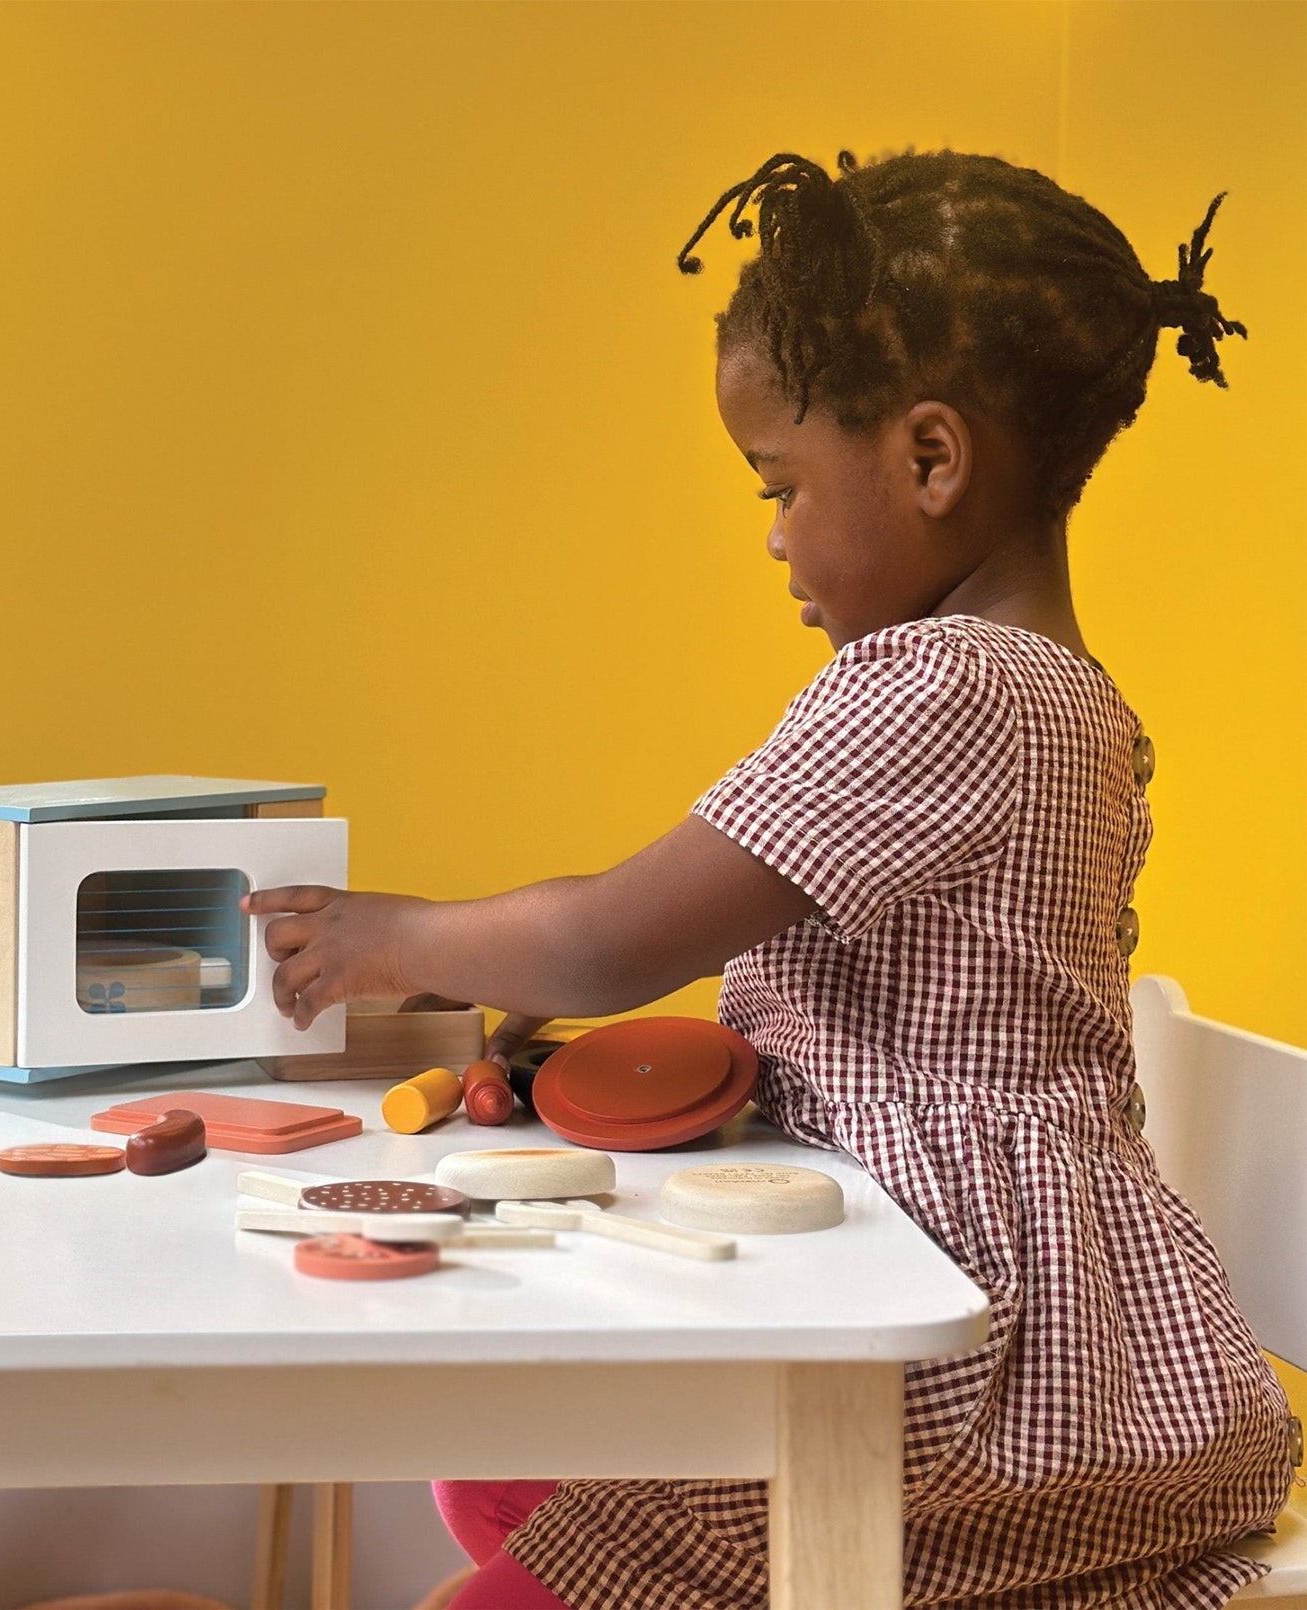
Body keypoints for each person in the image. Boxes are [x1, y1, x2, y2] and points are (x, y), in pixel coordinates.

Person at [241, 148, 1296, 1609]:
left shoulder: (935, 686)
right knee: (496, 1467)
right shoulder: (1066, 694)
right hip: (1044, 1303)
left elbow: (617, 935)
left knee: (495, 1553)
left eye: (781, 482)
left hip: (947, 1357)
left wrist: (391, 933)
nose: (772, 534)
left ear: (930, 459)